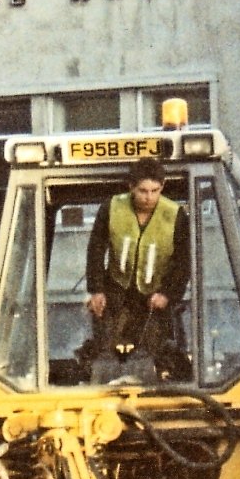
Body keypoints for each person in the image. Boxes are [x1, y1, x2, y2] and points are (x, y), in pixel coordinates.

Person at [85, 156, 191, 380]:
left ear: (162, 187)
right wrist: (96, 290)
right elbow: (96, 248)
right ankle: (103, 380)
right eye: (143, 190)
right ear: (131, 187)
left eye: (155, 190)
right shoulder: (112, 208)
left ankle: (150, 381)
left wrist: (168, 294)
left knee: (149, 351)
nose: (149, 197)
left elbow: (184, 261)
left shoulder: (175, 215)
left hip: (154, 295)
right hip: (117, 289)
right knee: (105, 349)